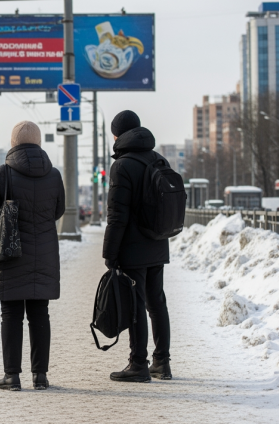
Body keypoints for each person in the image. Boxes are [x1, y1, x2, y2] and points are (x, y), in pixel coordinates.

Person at [0, 121, 66, 391]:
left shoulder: (3, 173)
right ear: (39, 143)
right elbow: (59, 211)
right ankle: (40, 376)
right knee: (40, 314)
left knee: (11, 314)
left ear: (13, 143)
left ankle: (12, 376)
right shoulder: (54, 175)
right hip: (44, 253)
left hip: (10, 253)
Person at [102, 110, 172, 383]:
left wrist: (110, 253)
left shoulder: (122, 166)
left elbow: (117, 215)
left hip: (133, 247)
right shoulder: (159, 159)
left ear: (117, 135)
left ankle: (138, 365)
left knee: (136, 305)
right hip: (158, 241)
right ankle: (162, 363)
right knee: (157, 302)